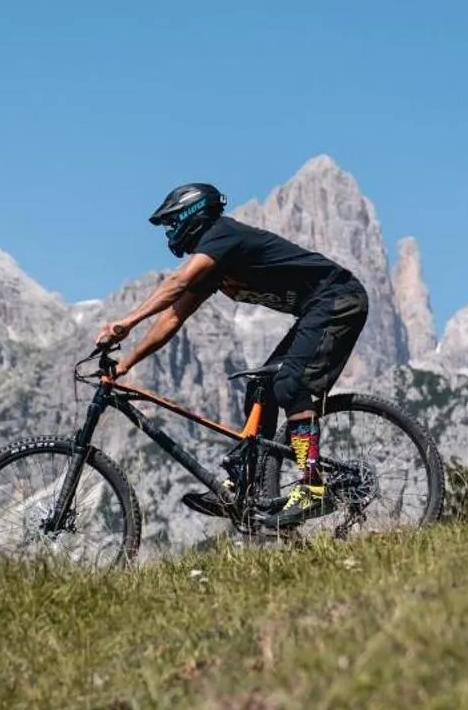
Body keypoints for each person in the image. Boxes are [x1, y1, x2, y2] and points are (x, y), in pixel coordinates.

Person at [95, 182, 370, 526]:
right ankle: (248, 485)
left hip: (338, 299)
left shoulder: (222, 234)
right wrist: (126, 363)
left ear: (190, 215)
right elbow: (173, 318)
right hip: (318, 308)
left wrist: (127, 322)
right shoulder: (215, 268)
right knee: (261, 388)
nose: (169, 233)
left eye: (171, 223)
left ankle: (312, 486)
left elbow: (177, 284)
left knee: (290, 384)